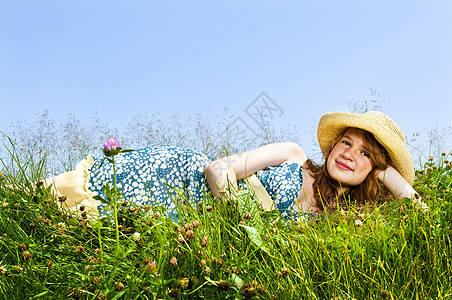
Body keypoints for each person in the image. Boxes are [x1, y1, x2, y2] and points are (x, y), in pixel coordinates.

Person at [41, 111, 419, 219]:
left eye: (366, 153)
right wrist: (240, 223)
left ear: (374, 170)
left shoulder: (339, 224)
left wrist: (390, 175)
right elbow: (218, 169)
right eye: (347, 142)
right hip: (179, 178)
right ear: (333, 145)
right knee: (42, 197)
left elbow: (420, 212)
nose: (350, 154)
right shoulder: (292, 155)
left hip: (190, 222)